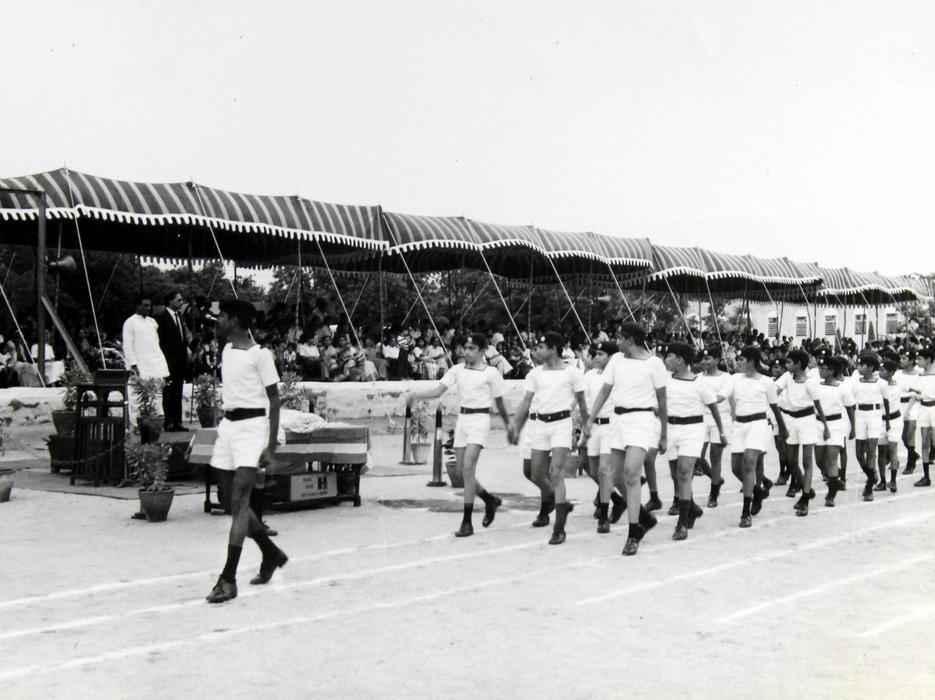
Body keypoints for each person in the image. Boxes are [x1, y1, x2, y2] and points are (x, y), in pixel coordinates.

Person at [206, 300, 288, 604]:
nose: (217, 321)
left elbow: (275, 400)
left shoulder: (261, 355)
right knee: (229, 501)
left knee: (240, 502)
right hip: (228, 428)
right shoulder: (226, 350)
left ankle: (228, 579)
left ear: (236, 321)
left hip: (252, 430)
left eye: (222, 317)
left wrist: (271, 445)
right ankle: (270, 552)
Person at [405, 333, 514, 537]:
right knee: (464, 474)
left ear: (483, 351)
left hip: (480, 420)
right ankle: (489, 499)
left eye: (472, 348)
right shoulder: (457, 370)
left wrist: (509, 425)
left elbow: (500, 403)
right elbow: (437, 391)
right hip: (463, 420)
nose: (467, 352)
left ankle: (467, 522)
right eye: (466, 348)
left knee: (468, 467)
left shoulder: (491, 373)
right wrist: (415, 394)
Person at [581, 322, 666, 556]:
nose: (617, 342)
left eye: (620, 338)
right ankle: (644, 516)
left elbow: (662, 399)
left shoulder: (654, 364)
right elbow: (605, 391)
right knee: (615, 475)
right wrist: (590, 419)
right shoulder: (617, 360)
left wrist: (664, 433)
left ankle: (633, 532)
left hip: (642, 420)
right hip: (618, 421)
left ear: (630, 340)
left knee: (631, 473)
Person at [511, 332, 589, 545]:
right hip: (540, 426)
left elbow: (582, 402)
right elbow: (526, 401)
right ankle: (559, 503)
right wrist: (516, 425)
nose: (537, 351)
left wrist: (586, 426)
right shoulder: (535, 374)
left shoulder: (572, 373)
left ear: (554, 348)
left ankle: (559, 528)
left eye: (542, 347)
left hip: (561, 424)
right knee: (536, 472)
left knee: (556, 473)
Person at [663, 343, 726, 540]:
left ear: (681, 359)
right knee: (675, 474)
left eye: (670, 356)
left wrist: (722, 431)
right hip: (671, 428)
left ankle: (682, 523)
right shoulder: (665, 380)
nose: (666, 360)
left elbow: (713, 408)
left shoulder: (700, 383)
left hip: (692, 429)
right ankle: (692, 508)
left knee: (684, 472)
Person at [721, 346, 787, 528]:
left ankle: (745, 512)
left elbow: (774, 407)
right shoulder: (734, 378)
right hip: (739, 425)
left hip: (758, 424)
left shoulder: (766, 382)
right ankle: (757, 491)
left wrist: (782, 428)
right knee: (736, 468)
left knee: (749, 462)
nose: (738, 362)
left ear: (751, 361)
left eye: (742, 359)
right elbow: (721, 395)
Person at [775, 349, 830, 516]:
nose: (786, 365)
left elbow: (818, 406)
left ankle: (805, 498)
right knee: (791, 460)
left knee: (807, 461)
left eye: (789, 362)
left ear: (798, 364)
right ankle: (806, 488)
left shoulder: (810, 382)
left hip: (807, 421)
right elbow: (775, 390)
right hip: (791, 421)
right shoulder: (787, 377)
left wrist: (825, 426)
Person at [582, 342, 626, 531]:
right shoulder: (590, 375)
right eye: (596, 354)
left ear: (611, 357)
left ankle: (603, 515)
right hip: (594, 426)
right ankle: (618, 499)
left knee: (604, 470)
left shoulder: (618, 376)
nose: (596, 357)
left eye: (601, 354)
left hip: (611, 426)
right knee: (592, 470)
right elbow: (585, 400)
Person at [814, 356, 855, 507]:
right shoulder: (816, 386)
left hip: (836, 425)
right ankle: (834, 479)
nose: (820, 370)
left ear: (832, 371)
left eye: (824, 368)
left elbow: (850, 408)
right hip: (819, 424)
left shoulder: (842, 388)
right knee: (819, 460)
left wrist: (853, 427)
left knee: (832, 459)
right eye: (820, 368)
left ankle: (831, 495)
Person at [851, 353, 890, 502]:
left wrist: (887, 421)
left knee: (871, 450)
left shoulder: (881, 383)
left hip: (874, 415)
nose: (859, 367)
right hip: (860, 415)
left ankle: (869, 488)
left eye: (862, 365)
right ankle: (871, 475)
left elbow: (886, 402)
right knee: (859, 453)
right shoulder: (855, 382)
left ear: (871, 367)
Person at [697, 346, 731, 507]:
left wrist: (705, 400)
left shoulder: (726, 378)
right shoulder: (697, 378)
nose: (704, 362)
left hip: (720, 419)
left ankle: (714, 493)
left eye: (708, 358)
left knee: (715, 457)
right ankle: (715, 478)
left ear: (717, 360)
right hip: (701, 418)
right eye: (703, 359)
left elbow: (721, 397)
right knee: (697, 456)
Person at [156, 291, 190, 432]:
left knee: (178, 391)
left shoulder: (179, 316)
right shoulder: (161, 317)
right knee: (169, 391)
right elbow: (160, 341)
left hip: (180, 361)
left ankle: (177, 421)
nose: (181, 302)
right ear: (170, 301)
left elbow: (181, 338)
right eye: (178, 300)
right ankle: (168, 421)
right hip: (168, 360)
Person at [909, 346, 935, 487]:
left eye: (920, 359)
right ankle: (926, 477)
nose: (917, 361)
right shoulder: (920, 376)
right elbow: (916, 393)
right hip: (924, 409)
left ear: (928, 359)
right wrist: (908, 410)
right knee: (924, 443)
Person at [878, 359, 903, 493]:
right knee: (881, 451)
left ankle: (893, 481)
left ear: (891, 372)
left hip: (894, 420)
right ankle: (882, 481)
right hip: (880, 420)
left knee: (893, 450)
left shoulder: (898, 385)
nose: (880, 372)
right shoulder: (878, 385)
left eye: (883, 370)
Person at [896, 348, 922, 474]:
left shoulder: (919, 374)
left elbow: (918, 391)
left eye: (904, 358)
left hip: (913, 404)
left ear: (911, 361)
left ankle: (910, 463)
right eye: (901, 358)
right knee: (903, 436)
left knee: (910, 433)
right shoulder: (898, 374)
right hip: (900, 404)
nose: (901, 360)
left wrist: (908, 409)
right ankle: (913, 454)